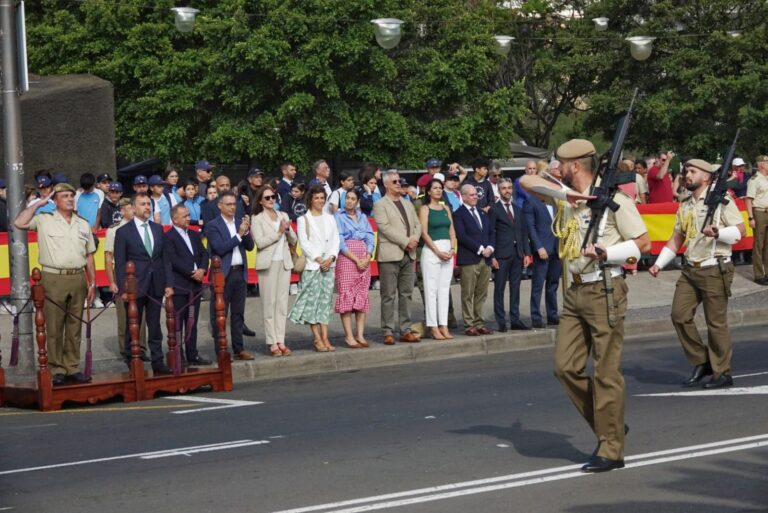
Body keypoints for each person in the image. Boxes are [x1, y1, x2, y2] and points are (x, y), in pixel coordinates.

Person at [520, 138, 651, 473]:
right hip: (574, 291)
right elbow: (525, 181)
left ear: (574, 165)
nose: (555, 169)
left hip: (604, 289)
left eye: (560, 164)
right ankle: (610, 424)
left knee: (606, 372)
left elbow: (643, 242)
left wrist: (608, 252)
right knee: (564, 367)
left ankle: (611, 449)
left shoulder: (614, 201)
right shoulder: (567, 198)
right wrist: (569, 195)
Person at [649, 158, 746, 389]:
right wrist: (659, 264)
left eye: (692, 171)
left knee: (716, 323)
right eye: (686, 171)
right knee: (679, 315)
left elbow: (741, 229)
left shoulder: (721, 200)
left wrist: (718, 232)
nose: (686, 174)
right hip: (691, 269)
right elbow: (677, 238)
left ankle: (723, 372)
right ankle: (702, 361)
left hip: (715, 267)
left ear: (706, 177)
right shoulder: (685, 204)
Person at [14, 182, 97, 386]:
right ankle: (56, 368)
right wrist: (38, 203)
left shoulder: (82, 223)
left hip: (77, 277)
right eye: (64, 196)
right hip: (53, 277)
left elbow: (89, 255)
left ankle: (72, 367)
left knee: (74, 325)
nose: (69, 199)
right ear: (55, 201)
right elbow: (19, 222)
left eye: (71, 195)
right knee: (53, 325)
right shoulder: (44, 219)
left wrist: (92, 282)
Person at [113, 193, 173, 375]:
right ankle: (132, 360)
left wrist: (168, 283)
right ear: (133, 208)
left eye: (149, 204)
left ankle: (157, 361)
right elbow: (120, 262)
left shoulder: (157, 229)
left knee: (154, 325)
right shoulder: (123, 232)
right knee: (134, 324)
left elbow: (164, 258)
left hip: (156, 284)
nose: (147, 207)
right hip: (134, 285)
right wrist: (123, 288)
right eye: (143, 204)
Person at [288, 185, 340, 351]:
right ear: (310, 199)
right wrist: (319, 259)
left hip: (328, 266)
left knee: (325, 303)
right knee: (312, 302)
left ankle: (325, 337)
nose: (319, 201)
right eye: (316, 198)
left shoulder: (330, 218)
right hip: (312, 266)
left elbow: (335, 240)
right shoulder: (304, 219)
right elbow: (304, 243)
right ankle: (317, 338)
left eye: (322, 198)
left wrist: (331, 257)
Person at [205, 191, 255, 360]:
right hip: (222, 274)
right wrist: (239, 235)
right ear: (220, 206)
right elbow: (219, 248)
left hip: (239, 272)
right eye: (229, 204)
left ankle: (239, 348)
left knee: (238, 313)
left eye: (234, 204)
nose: (233, 207)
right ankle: (221, 349)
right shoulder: (213, 225)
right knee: (219, 314)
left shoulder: (239, 223)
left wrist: (246, 232)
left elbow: (249, 246)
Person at [374, 170, 422, 345]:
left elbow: (417, 224)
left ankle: (405, 329)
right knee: (388, 295)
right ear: (386, 184)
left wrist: (414, 239)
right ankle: (387, 330)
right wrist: (405, 241)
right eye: (394, 182)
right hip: (390, 255)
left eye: (399, 181)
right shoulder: (380, 204)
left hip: (409, 254)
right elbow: (384, 227)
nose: (398, 184)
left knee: (407, 293)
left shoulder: (407, 203)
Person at [251, 186, 297, 356]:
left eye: (273, 197)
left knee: (282, 303)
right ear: (261, 201)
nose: (271, 200)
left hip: (284, 262)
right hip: (268, 264)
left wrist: (288, 230)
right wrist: (278, 233)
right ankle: (271, 341)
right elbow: (260, 242)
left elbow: (294, 239)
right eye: (267, 197)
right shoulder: (257, 218)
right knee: (269, 303)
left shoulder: (283, 215)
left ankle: (281, 339)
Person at [163, 203, 211, 365]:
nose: (188, 218)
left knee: (192, 322)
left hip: (195, 287)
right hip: (180, 285)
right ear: (175, 219)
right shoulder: (168, 237)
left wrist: (203, 269)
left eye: (189, 215)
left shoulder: (194, 234)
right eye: (185, 216)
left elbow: (204, 254)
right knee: (178, 323)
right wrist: (192, 272)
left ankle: (193, 353)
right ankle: (178, 355)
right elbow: (173, 260)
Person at [104, 198, 149, 361]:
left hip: (139, 273)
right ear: (122, 211)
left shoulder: (144, 226)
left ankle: (141, 347)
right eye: (130, 208)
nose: (133, 210)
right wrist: (112, 281)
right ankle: (126, 349)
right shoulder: (114, 230)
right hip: (122, 272)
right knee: (124, 314)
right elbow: (108, 257)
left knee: (140, 313)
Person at [489, 178, 532, 331]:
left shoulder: (517, 209)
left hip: (517, 254)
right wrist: (492, 256)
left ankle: (515, 319)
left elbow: (523, 233)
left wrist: (527, 253)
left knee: (516, 287)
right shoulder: (494, 209)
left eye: (509, 188)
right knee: (499, 288)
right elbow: (491, 233)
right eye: (503, 188)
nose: (507, 190)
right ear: (499, 191)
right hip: (501, 254)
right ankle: (501, 320)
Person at [334, 188, 375, 347]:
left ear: (357, 201)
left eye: (352, 198)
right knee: (346, 296)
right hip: (347, 258)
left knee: (361, 295)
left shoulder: (363, 217)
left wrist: (368, 255)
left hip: (364, 259)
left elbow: (370, 236)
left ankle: (360, 335)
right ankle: (349, 336)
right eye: (347, 198)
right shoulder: (338, 216)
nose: (349, 201)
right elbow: (340, 240)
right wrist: (356, 258)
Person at [454, 184, 494, 336]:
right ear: (463, 196)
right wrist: (480, 249)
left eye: (476, 194)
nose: (475, 197)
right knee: (468, 293)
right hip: (470, 259)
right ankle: (469, 324)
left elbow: (491, 232)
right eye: (471, 195)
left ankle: (479, 322)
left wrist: (490, 247)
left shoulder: (482, 213)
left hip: (486, 258)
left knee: (481, 293)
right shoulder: (458, 214)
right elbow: (462, 236)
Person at [418, 179, 456, 340]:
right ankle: (433, 326)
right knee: (431, 290)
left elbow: (452, 231)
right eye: (435, 188)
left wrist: (452, 249)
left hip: (447, 250)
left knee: (444, 290)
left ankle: (444, 325)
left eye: (440, 188)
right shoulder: (424, 209)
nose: (438, 191)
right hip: (432, 252)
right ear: (428, 191)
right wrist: (437, 251)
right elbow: (424, 233)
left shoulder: (446, 208)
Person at [523, 178, 560, 328]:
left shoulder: (553, 203)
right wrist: (539, 247)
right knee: (538, 285)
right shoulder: (530, 202)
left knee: (553, 284)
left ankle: (552, 315)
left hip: (556, 249)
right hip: (542, 250)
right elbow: (530, 227)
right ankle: (536, 316)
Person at [746, 155, 768, 285]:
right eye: (767, 162)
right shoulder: (754, 180)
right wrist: (750, 217)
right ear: (761, 165)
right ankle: (759, 275)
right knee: (759, 245)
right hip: (759, 212)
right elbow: (749, 199)